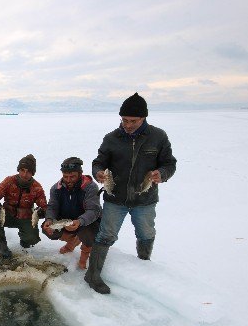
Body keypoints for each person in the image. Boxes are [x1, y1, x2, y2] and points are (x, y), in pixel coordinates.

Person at [88, 92, 177, 294]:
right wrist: (98, 173)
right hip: (115, 198)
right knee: (105, 236)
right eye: (124, 120)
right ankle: (92, 276)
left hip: (145, 199)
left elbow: (169, 164)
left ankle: (143, 269)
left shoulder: (158, 137)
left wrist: (161, 174)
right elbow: (98, 162)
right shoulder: (111, 138)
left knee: (146, 234)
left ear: (143, 118)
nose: (127, 125)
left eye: (133, 121)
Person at [42, 157, 102, 270]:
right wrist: (49, 219)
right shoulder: (56, 188)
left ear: (80, 174)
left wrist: (80, 221)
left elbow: (93, 210)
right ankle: (73, 242)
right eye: (65, 176)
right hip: (66, 220)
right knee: (48, 229)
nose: (68, 180)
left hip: (87, 221)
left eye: (72, 176)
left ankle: (85, 254)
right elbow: (52, 207)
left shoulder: (90, 187)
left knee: (88, 235)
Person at [0, 154, 47, 258]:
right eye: (22, 170)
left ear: (32, 173)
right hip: (7, 215)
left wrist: (42, 212)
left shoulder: (37, 187)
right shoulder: (9, 181)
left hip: (26, 217)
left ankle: (25, 239)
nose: (24, 174)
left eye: (28, 171)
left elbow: (44, 206)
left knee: (32, 240)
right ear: (18, 170)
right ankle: (2, 245)